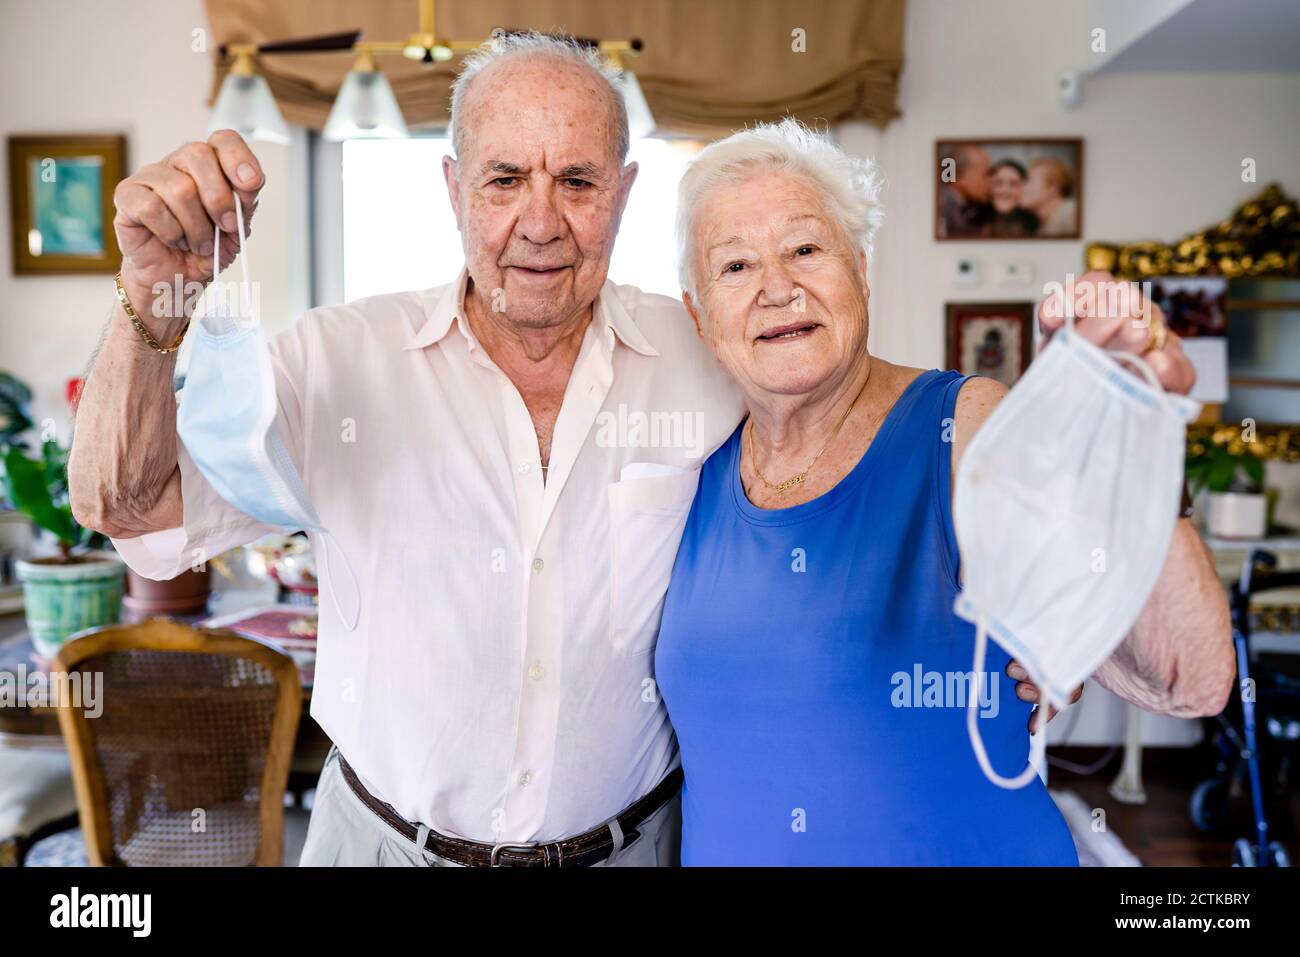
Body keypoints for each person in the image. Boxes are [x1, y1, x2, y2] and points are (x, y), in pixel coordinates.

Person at [69, 32, 746, 868]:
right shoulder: (334, 360)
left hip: (635, 847)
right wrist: (152, 296)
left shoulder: (711, 362)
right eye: (504, 179)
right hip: (380, 848)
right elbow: (125, 506)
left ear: (625, 192)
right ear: (454, 189)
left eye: (577, 181)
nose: (541, 221)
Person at [654, 119, 1235, 865]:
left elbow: (1191, 678)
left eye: (805, 248)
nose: (777, 286)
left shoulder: (964, 428)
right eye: (735, 266)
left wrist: (1135, 430)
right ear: (699, 317)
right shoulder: (690, 470)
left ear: (860, 270)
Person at [937, 144, 991, 238]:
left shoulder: (972, 207)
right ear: (961, 176)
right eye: (985, 175)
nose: (989, 183)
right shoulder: (942, 209)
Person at [1021, 157, 1078, 237]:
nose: (1022, 187)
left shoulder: (1070, 213)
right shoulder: (1041, 228)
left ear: (1053, 189)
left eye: (1030, 181)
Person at [986, 158, 1040, 237]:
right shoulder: (975, 218)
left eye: (1013, 184)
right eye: (998, 183)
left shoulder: (1034, 222)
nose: (1005, 190)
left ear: (1023, 187)